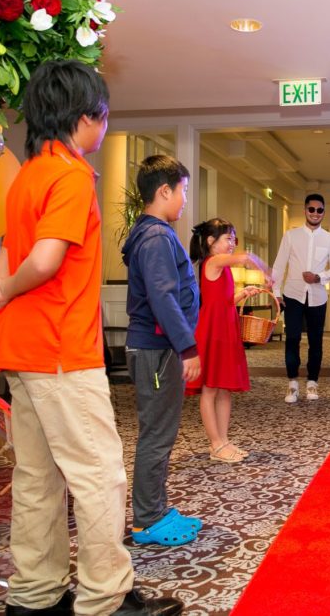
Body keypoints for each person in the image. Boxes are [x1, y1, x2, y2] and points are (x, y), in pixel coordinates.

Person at [0, 61, 182, 615]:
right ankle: (107, 599)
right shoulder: (71, 175)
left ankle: (35, 596)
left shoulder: (27, 175)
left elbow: (9, 259)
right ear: (86, 117)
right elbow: (42, 262)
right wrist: (6, 290)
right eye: (104, 115)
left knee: (36, 477)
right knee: (99, 474)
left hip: (23, 352)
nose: (105, 125)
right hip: (61, 353)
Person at [121, 155, 203, 548]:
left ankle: (153, 509)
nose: (185, 199)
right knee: (157, 435)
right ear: (165, 191)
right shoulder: (155, 237)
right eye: (183, 190)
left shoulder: (153, 233)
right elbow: (163, 297)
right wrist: (187, 348)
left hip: (157, 349)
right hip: (158, 350)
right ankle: (146, 520)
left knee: (160, 432)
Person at [187, 218, 271, 462]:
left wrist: (241, 294)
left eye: (234, 239)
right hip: (212, 332)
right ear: (211, 242)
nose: (233, 243)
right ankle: (215, 443)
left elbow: (222, 301)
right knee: (210, 389)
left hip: (225, 330)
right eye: (228, 238)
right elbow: (245, 257)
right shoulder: (213, 262)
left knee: (224, 389)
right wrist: (266, 271)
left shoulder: (222, 268)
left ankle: (223, 441)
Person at [270, 193, 330, 403]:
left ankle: (312, 382)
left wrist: (319, 277)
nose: (315, 213)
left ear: (324, 212)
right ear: (305, 210)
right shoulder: (290, 236)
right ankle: (292, 383)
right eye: (312, 209)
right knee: (292, 338)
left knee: (315, 341)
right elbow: (279, 266)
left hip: (318, 297)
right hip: (292, 295)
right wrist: (276, 293)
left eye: (320, 210)